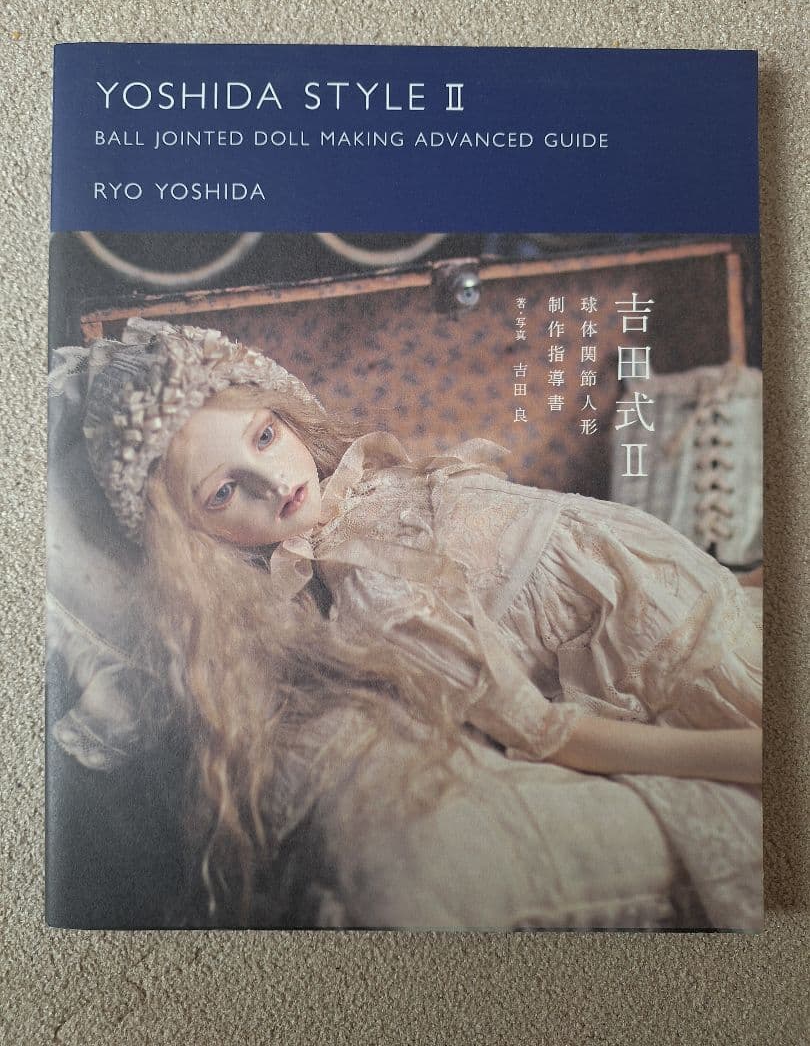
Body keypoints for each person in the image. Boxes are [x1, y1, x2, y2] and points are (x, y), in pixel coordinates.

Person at [67, 318, 762, 922]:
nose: (274, 482)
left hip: (710, 601)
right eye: (223, 492)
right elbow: (545, 732)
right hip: (686, 675)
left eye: (266, 435)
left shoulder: (372, 484)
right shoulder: (365, 583)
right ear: (196, 542)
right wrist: (748, 757)